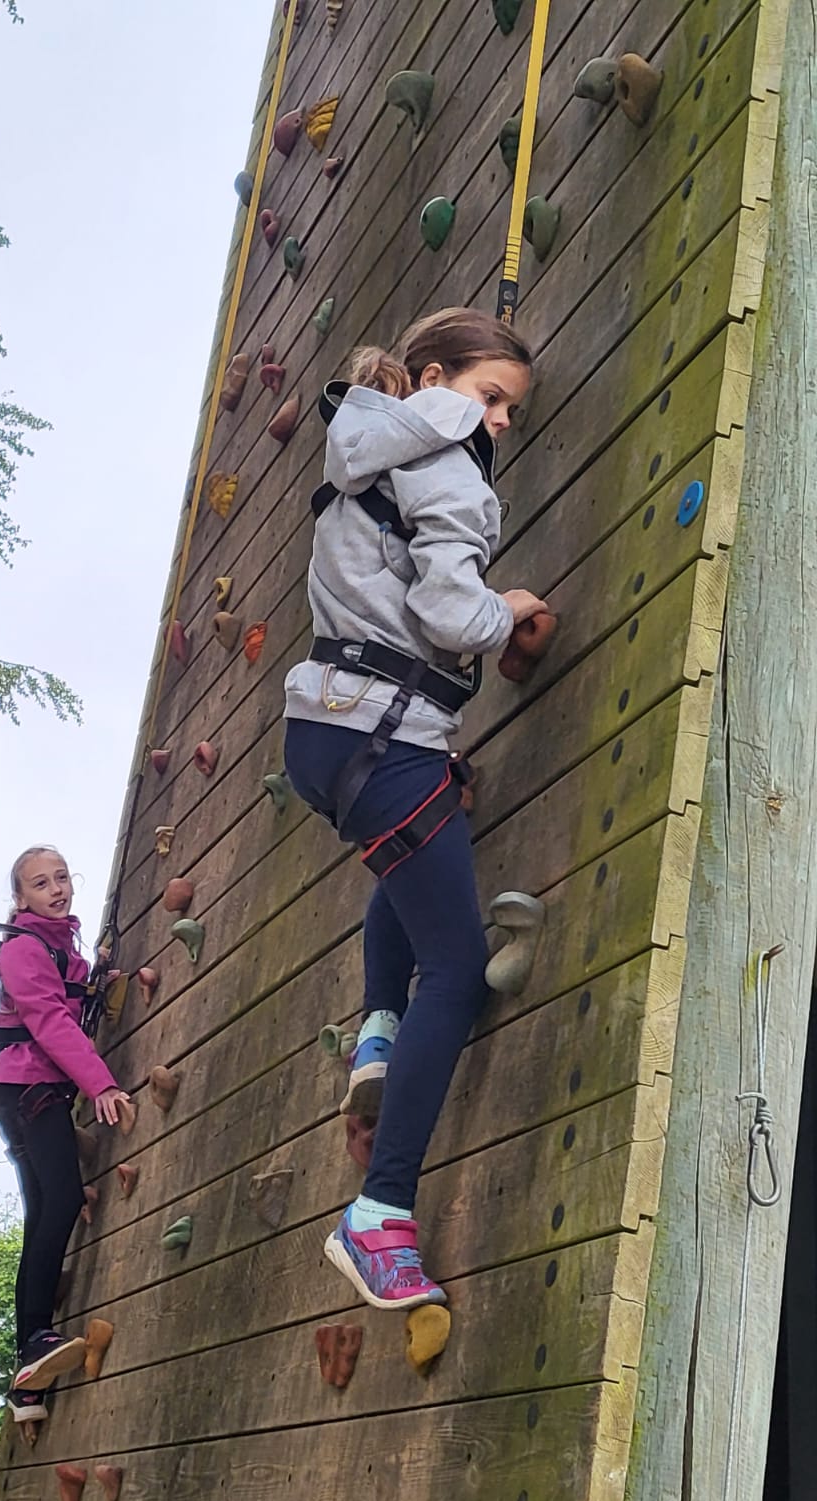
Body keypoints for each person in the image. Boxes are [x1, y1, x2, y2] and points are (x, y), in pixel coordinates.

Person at [282, 306, 548, 1312]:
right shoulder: (445, 463)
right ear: (435, 379)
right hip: (381, 741)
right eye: (492, 398)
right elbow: (448, 614)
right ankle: (380, 1208)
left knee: (428, 837)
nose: (499, 423)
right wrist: (512, 606)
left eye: (509, 409)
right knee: (461, 972)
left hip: (328, 732)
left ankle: (380, 1029)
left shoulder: (366, 444)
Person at [0, 846, 130, 1422]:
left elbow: (73, 998)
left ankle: (27, 1383)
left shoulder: (59, 946)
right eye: (41, 883)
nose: (57, 889)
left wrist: (100, 976)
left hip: (31, 1088)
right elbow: (48, 1021)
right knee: (60, 1200)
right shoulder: (22, 949)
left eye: (62, 877)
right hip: (26, 1088)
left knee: (46, 1210)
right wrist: (102, 1085)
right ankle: (35, 1338)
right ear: (21, 899)